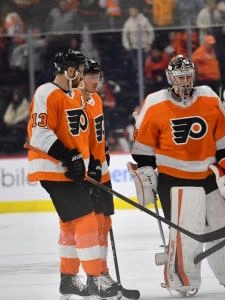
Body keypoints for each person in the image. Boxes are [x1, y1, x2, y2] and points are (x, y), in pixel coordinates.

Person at [129, 55, 225, 295]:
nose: (185, 81)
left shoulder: (209, 97)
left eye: (189, 76)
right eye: (180, 76)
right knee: (185, 232)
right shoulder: (154, 103)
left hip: (209, 174)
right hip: (174, 177)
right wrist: (147, 172)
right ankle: (182, 277)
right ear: (170, 77)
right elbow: (142, 151)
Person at [26, 50, 118, 299]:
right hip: (52, 168)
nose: (85, 74)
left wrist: (92, 164)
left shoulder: (77, 97)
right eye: (80, 68)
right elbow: (40, 133)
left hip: (70, 171)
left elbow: (84, 139)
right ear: (69, 71)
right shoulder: (47, 92)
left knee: (70, 224)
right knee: (87, 219)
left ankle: (68, 280)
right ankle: (96, 277)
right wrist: (70, 157)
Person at [76, 58, 121, 288]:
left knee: (104, 225)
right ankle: (94, 275)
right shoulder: (75, 101)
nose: (95, 80)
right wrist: (90, 161)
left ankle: (103, 272)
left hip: (102, 172)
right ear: (80, 77)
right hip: (86, 174)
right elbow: (77, 137)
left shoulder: (97, 99)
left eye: (97, 75)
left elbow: (98, 133)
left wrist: (103, 152)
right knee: (91, 227)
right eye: (90, 76)